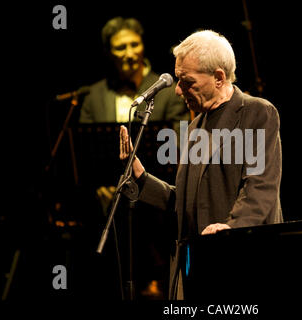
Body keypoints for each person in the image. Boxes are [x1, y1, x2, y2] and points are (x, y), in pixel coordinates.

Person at [119, 30, 283, 299]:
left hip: (242, 262)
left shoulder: (257, 112)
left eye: (187, 81)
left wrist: (232, 227)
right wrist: (141, 178)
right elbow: (184, 203)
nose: (177, 89)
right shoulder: (195, 128)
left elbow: (260, 187)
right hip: (198, 267)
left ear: (219, 77)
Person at [77, 17, 189, 299]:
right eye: (120, 47)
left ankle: (155, 283)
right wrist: (99, 186)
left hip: (154, 200)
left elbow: (174, 147)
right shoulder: (94, 95)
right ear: (108, 53)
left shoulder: (166, 90)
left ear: (143, 46)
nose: (128, 53)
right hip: (107, 201)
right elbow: (85, 152)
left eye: (134, 44)